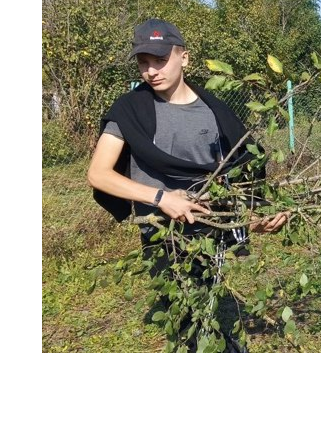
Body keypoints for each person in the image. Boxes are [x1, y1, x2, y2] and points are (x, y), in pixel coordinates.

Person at [87, 19, 288, 351]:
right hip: (161, 229)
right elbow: (98, 173)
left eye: (160, 59)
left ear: (185, 58)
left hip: (208, 226)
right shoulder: (129, 109)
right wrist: (162, 198)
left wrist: (259, 217)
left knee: (205, 300)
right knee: (187, 316)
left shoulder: (215, 112)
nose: (151, 71)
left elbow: (236, 178)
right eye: (143, 62)